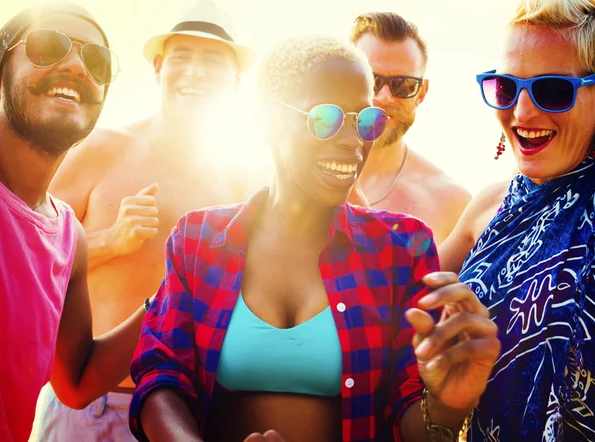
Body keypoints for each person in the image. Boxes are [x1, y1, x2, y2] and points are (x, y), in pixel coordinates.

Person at [128, 34, 500, 442]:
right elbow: (161, 374)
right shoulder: (199, 240)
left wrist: (446, 403)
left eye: (366, 120)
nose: (352, 139)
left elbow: (411, 422)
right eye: (326, 118)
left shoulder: (403, 249)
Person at [31, 2, 258, 441]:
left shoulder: (245, 182)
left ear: (235, 81)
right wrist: (111, 241)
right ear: (158, 68)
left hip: (187, 412)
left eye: (212, 61)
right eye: (181, 58)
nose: (195, 73)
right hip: (89, 407)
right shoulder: (100, 149)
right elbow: (25, 257)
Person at [431, 0, 595, 439]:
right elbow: (400, 306)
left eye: (553, 90)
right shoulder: (488, 206)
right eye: (506, 87)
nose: (521, 114)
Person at [0, 3, 153, 442]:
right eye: (48, 46)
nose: (76, 66)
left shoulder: (69, 236)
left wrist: (177, 286)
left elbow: (77, 382)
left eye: (97, 60)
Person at [349, 12, 471, 245]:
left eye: (403, 85)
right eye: (370, 80)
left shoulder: (452, 206)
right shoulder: (284, 178)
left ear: (421, 94)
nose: (384, 97)